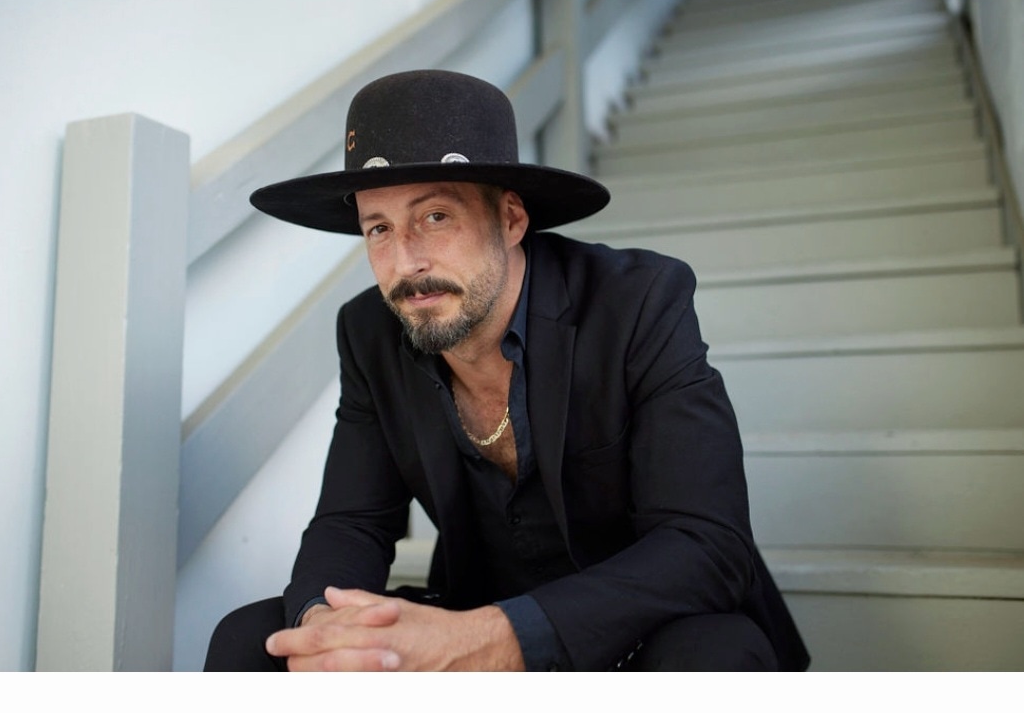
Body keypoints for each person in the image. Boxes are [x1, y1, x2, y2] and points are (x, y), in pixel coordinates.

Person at [204, 69, 809, 672]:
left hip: (639, 630)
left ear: (512, 219)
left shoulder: (637, 301)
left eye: (435, 216)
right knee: (254, 639)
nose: (406, 262)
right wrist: (324, 624)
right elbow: (353, 522)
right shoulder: (369, 334)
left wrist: (495, 638)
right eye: (379, 229)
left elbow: (707, 544)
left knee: (712, 657)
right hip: (474, 606)